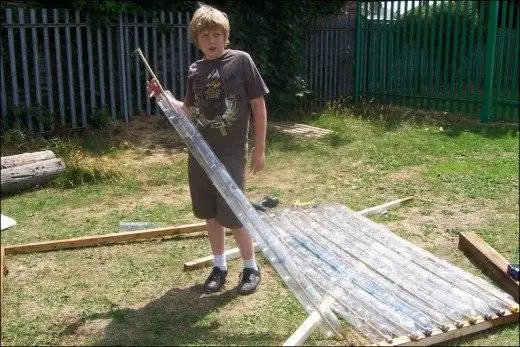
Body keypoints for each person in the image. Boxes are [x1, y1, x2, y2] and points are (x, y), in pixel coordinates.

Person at [147, 4, 268, 295]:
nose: (211, 40)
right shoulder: (195, 70)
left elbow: (258, 105)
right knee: (210, 213)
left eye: (216, 34)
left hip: (230, 153)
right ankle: (219, 266)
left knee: (234, 213)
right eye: (204, 36)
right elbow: (187, 111)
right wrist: (164, 96)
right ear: (196, 40)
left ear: (226, 36)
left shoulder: (241, 61)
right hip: (200, 152)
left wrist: (259, 148)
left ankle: (251, 267)